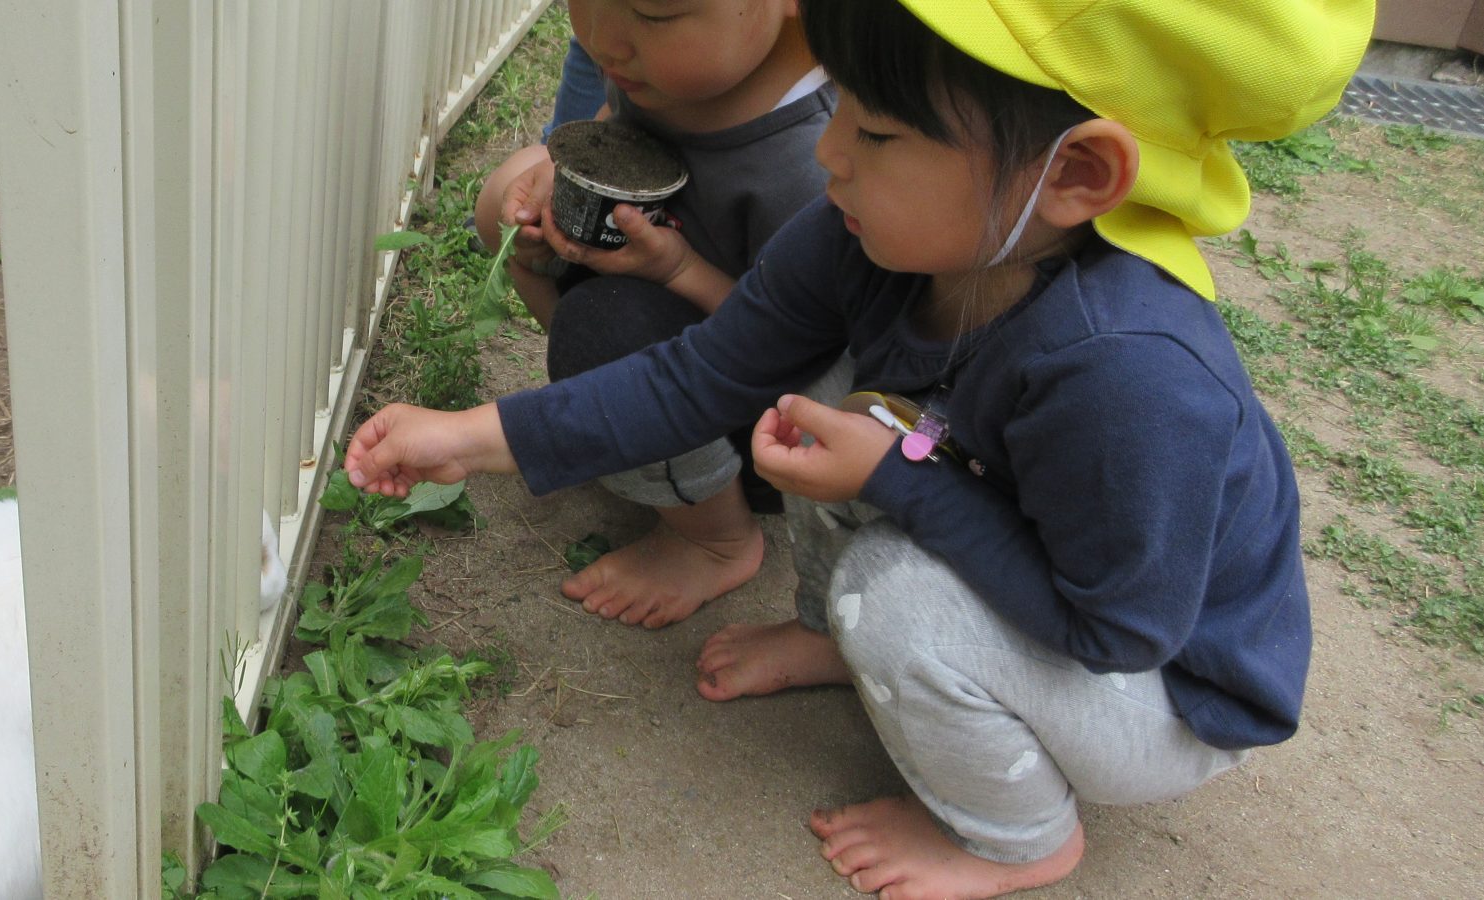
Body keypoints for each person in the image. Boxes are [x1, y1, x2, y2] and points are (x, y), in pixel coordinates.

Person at [348, 0, 1372, 896]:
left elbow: (1114, 632)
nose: (829, 153)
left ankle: (1019, 838)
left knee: (896, 589)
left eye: (876, 132)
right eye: (840, 106)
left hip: (1163, 693)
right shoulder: (871, 235)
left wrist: (894, 473)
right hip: (1023, 535)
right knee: (824, 407)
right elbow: (703, 374)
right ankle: (841, 632)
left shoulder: (1131, 379)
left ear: (1078, 172)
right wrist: (476, 440)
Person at [473, 0, 835, 629]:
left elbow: (804, 359)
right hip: (658, 295)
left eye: (654, 14)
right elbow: (612, 126)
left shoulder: (815, 162)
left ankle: (715, 539)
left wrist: (677, 270)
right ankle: (611, 411)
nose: (604, 40)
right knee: (503, 194)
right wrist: (544, 200)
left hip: (766, 425)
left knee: (604, 331)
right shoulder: (663, 65)